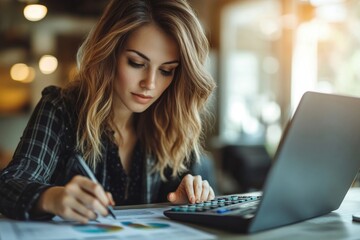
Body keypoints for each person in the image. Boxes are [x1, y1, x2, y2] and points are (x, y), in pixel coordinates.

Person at [0, 0, 216, 223]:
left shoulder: (171, 122)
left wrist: (183, 204)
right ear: (109, 53)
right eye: (136, 63)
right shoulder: (60, 108)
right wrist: (52, 198)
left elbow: (163, 216)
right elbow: (9, 184)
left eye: (166, 70)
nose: (150, 84)